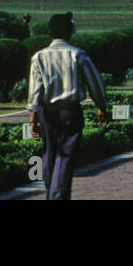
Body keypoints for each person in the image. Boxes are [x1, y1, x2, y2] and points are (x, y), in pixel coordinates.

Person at [27, 12, 109, 200]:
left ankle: (52, 194)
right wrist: (102, 106)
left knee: (49, 156)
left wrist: (33, 118)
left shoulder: (39, 57)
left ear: (50, 32)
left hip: (48, 113)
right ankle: (58, 197)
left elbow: (35, 91)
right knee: (65, 158)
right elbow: (95, 84)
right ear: (71, 31)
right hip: (70, 112)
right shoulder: (77, 54)